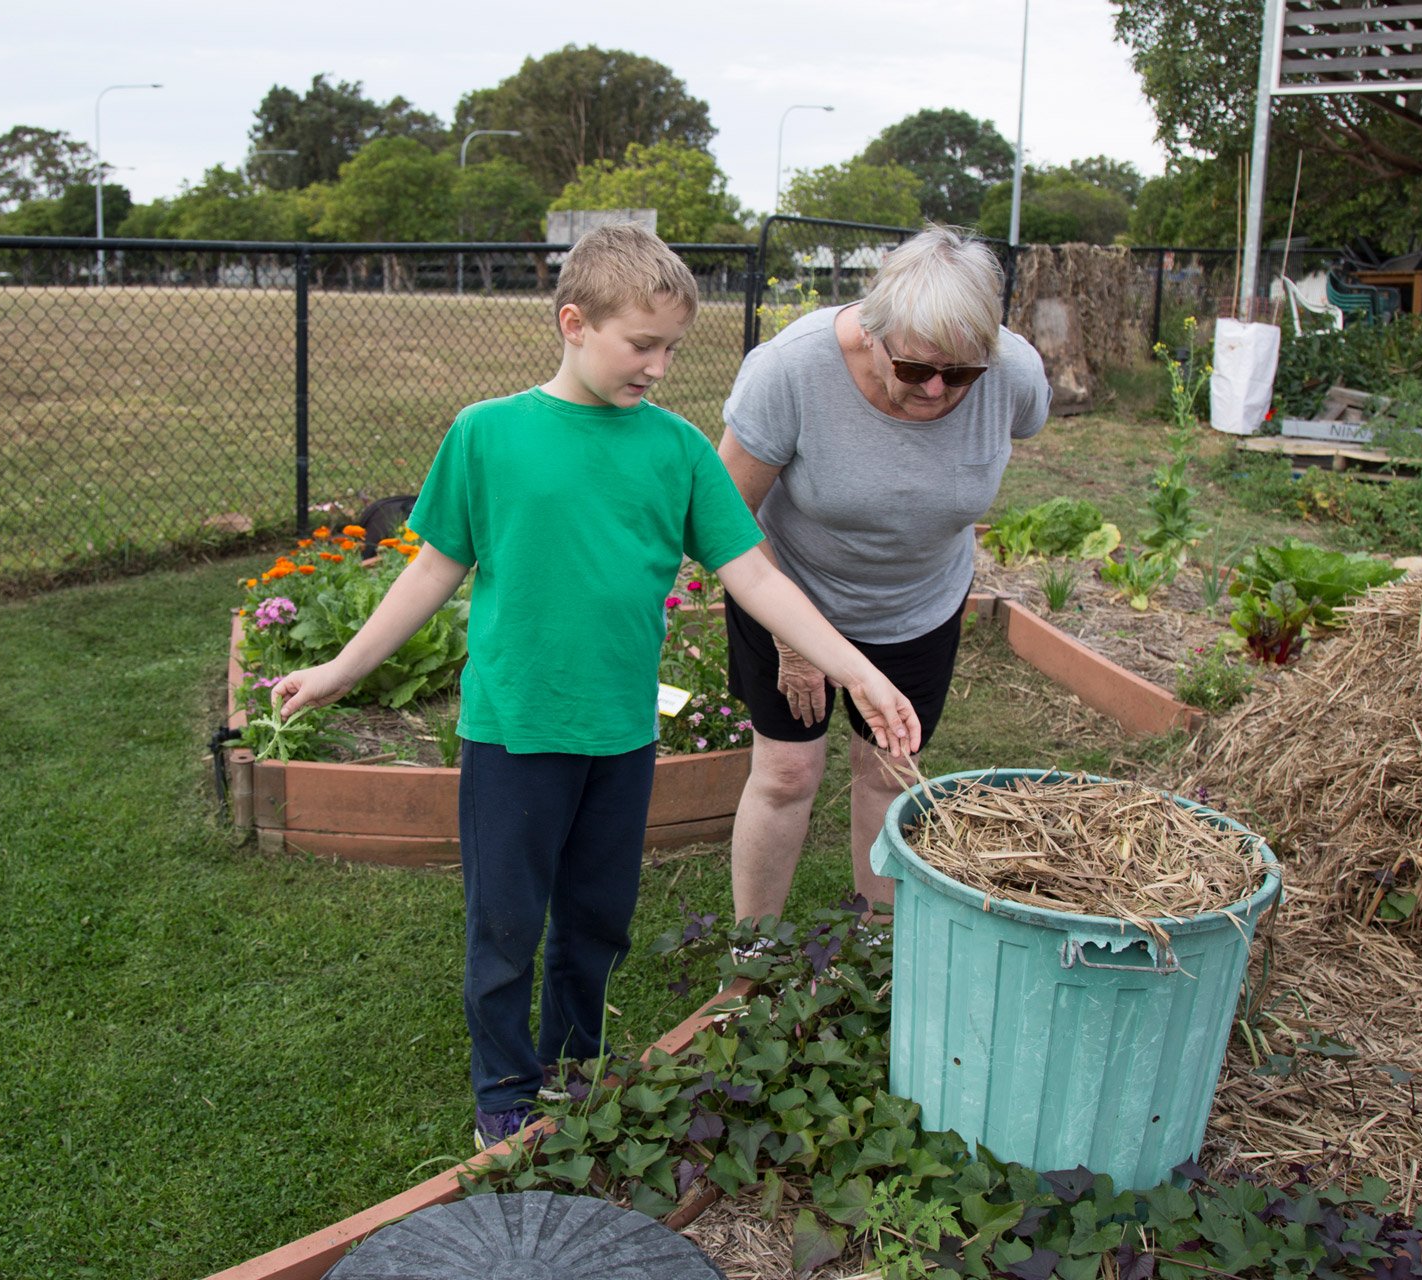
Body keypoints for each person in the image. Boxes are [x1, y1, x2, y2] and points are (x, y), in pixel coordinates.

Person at [268, 224, 922, 1152]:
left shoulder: (680, 452)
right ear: (574, 323)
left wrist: (856, 667)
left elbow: (759, 577)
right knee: (504, 924)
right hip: (513, 732)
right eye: (640, 344)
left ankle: (573, 1069)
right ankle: (503, 1084)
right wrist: (341, 669)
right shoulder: (487, 434)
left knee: (596, 920)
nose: (658, 367)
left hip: (620, 738)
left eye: (671, 348)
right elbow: (429, 571)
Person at [718, 225, 1052, 924]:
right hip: (788, 591)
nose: (936, 390)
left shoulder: (1010, 373)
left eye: (959, 374)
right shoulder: (792, 371)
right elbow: (725, 517)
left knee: (888, 773)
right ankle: (753, 955)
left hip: (917, 607)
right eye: (916, 369)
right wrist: (793, 641)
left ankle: (873, 955)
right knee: (786, 773)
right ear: (873, 333)